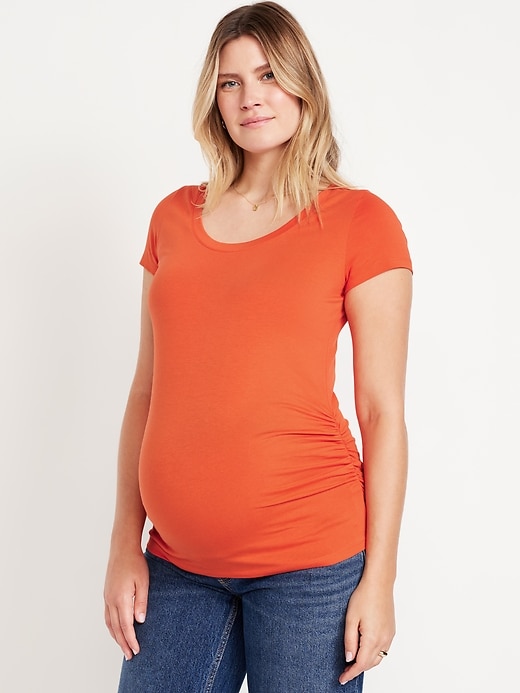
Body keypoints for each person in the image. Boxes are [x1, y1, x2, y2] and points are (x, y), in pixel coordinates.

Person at [103, 2, 413, 691]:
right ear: (213, 99)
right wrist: (125, 541)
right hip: (176, 564)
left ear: (303, 83)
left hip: (311, 566)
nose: (250, 97)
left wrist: (381, 580)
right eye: (231, 81)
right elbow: (146, 391)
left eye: (269, 74)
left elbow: (382, 412)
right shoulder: (172, 218)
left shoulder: (362, 222)